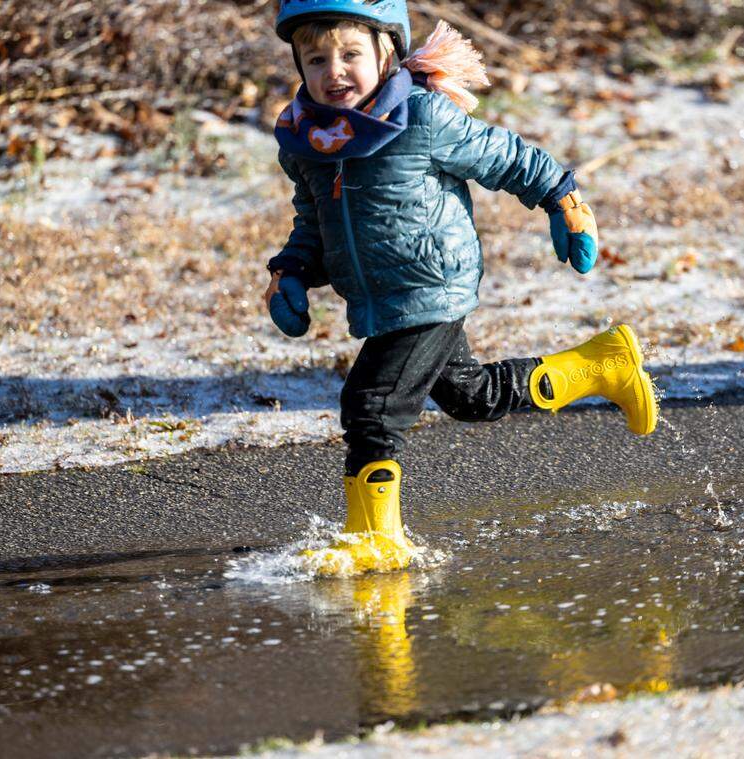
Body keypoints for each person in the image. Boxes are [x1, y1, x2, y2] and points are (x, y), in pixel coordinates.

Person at [262, 0, 657, 576]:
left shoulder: (419, 117)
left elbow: (506, 157)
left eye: (350, 54)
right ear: (298, 65)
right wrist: (290, 271)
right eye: (316, 58)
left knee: (371, 405)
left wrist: (563, 201)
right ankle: (601, 366)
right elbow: (314, 222)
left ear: (387, 51)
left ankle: (377, 541)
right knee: (471, 397)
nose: (334, 71)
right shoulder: (307, 144)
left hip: (431, 283)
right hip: (380, 297)